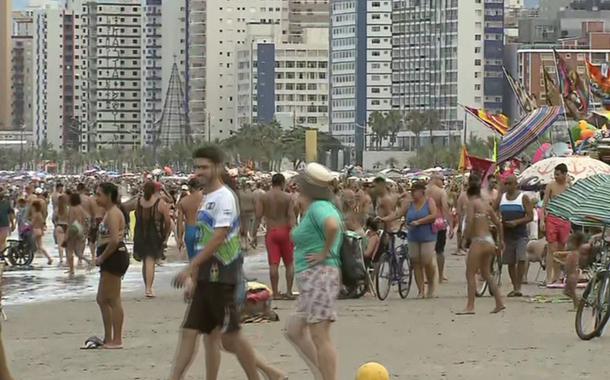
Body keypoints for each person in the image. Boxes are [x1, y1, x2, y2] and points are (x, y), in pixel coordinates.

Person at [171, 146, 283, 380]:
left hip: (222, 276)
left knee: (229, 337)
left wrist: (191, 267)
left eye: (204, 167)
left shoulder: (224, 198)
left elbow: (219, 236)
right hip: (206, 277)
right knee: (198, 334)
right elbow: (203, 239)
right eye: (196, 167)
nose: (198, 172)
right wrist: (194, 275)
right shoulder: (206, 198)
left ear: (218, 167)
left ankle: (263, 375)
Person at [285, 162, 342, 380]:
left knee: (320, 335)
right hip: (312, 280)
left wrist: (324, 252)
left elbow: (333, 226)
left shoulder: (320, 208)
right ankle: (322, 373)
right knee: (294, 329)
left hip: (320, 276)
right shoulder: (315, 208)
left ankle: (327, 377)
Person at [457, 176, 505, 315]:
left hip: (478, 241)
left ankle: (470, 306)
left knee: (470, 274)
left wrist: (464, 238)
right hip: (489, 240)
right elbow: (498, 223)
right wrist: (501, 240)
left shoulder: (472, 203)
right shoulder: (486, 205)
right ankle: (499, 302)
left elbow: (470, 221)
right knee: (486, 273)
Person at [382, 182, 439, 298]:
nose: (412, 193)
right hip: (413, 235)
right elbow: (397, 214)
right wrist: (384, 219)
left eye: (414, 190)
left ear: (422, 191)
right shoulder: (409, 204)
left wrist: (419, 222)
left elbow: (434, 216)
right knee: (415, 262)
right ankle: (421, 290)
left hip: (427, 235)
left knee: (426, 260)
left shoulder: (429, 201)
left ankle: (431, 284)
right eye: (411, 190)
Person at [95, 182, 130, 349]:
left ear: (108, 196)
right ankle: (108, 337)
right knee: (103, 298)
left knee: (112, 299)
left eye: (99, 194)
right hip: (111, 256)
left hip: (114, 257)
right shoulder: (108, 213)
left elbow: (115, 239)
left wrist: (102, 257)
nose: (96, 198)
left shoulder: (114, 213)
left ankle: (116, 339)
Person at [254, 173, 296, 299]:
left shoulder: (264, 197)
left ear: (272, 183)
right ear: (283, 183)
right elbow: (291, 216)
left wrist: (254, 233)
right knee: (289, 263)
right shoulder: (288, 197)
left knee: (273, 264)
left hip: (271, 232)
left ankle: (276, 292)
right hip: (286, 231)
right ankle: (289, 291)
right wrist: (294, 231)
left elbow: (258, 216)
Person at [131, 181, 171, 298]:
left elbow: (124, 207)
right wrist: (165, 234)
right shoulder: (160, 203)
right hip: (153, 235)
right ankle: (148, 288)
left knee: (145, 261)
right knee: (150, 261)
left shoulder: (138, 202)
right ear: (155, 190)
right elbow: (167, 221)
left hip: (139, 234)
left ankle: (147, 287)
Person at [496, 175, 533, 297]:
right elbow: (492, 210)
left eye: (510, 183)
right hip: (506, 234)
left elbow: (530, 216)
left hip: (520, 234)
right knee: (510, 261)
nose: (508, 186)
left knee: (521, 259)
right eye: (506, 183)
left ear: (516, 184)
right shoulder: (501, 198)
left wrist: (516, 222)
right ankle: (515, 286)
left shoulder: (523, 198)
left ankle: (518, 286)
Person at [542, 163, 571, 285]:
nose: (555, 176)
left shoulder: (569, 186)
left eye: (558, 174)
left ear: (564, 174)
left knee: (562, 248)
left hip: (564, 218)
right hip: (552, 218)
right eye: (554, 174)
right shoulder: (550, 186)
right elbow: (544, 204)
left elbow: (572, 203)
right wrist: (543, 220)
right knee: (551, 248)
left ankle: (558, 276)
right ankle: (549, 276)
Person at [426, 173, 454, 282]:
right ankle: (440, 275)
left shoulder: (424, 191)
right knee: (439, 251)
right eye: (442, 180)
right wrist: (451, 226)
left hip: (425, 222)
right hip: (438, 222)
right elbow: (446, 209)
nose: (443, 182)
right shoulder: (441, 192)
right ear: (435, 179)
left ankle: (426, 276)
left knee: (427, 250)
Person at [177, 178, 203, 261]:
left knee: (193, 261)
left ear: (190, 187)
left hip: (190, 230)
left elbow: (179, 222)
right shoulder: (206, 198)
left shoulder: (183, 201)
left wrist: (179, 238)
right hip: (204, 229)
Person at [64, 192, 90, 276]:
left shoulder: (72, 208)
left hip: (73, 229)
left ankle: (71, 269)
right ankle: (88, 261)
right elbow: (86, 219)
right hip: (80, 229)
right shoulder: (81, 208)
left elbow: (70, 222)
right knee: (78, 251)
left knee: (69, 250)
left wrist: (66, 235)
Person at [31, 200, 52, 265]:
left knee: (31, 244)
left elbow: (33, 223)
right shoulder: (40, 214)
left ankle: (48, 258)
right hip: (39, 230)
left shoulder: (36, 214)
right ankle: (49, 258)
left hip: (36, 230)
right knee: (40, 246)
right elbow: (42, 222)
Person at [239, 180, 257, 251]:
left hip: (242, 213)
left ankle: (244, 244)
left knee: (243, 230)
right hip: (249, 213)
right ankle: (247, 244)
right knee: (248, 229)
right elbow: (254, 202)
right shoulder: (251, 193)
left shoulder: (239, 193)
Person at [54, 194, 70, 266]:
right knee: (67, 245)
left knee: (60, 245)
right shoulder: (68, 208)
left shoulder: (57, 209)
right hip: (67, 226)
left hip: (59, 225)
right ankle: (67, 260)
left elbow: (54, 219)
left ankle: (61, 260)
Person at [0, 187, 15, 255]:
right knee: (2, 241)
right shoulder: (6, 203)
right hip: (4, 225)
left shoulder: (6, 203)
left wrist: (13, 224)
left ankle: (2, 256)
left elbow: (11, 214)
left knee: (2, 241)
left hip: (4, 224)